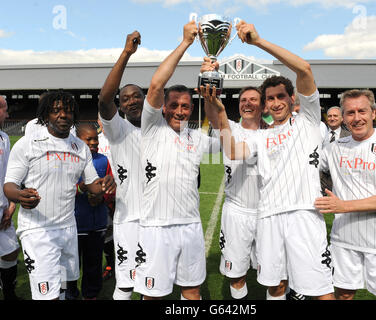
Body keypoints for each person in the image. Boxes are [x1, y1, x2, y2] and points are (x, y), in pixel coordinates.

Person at [203, 20, 334, 300]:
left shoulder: (308, 122)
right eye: (270, 98)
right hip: (269, 217)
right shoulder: (260, 137)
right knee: (274, 286)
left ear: (291, 98)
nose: (275, 102)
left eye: (280, 97)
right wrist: (217, 105)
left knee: (320, 288)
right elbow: (233, 150)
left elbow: (304, 69)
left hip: (304, 215)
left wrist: (258, 42)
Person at [133, 21, 220, 300]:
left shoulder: (197, 138)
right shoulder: (152, 128)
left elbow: (225, 139)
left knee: (192, 290)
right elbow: (157, 83)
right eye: (174, 105)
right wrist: (185, 44)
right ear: (163, 107)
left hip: (191, 225)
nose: (179, 111)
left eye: (185, 106)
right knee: (152, 295)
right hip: (157, 227)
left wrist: (211, 90)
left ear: (191, 109)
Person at [4, 91, 115, 300]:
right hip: (38, 232)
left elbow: (92, 186)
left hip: (68, 230)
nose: (63, 115)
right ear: (46, 115)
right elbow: (9, 185)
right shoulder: (28, 144)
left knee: (64, 288)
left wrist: (106, 183)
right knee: (48, 296)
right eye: (56, 111)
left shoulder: (79, 146)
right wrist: (20, 195)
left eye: (68, 111)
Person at [315, 89, 376, 300]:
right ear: (343, 117)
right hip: (344, 240)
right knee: (344, 295)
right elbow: (303, 165)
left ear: (373, 113)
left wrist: (344, 206)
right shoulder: (333, 148)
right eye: (350, 113)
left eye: (362, 111)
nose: (356, 118)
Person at [98, 30, 145, 300]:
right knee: (125, 285)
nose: (131, 100)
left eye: (136, 95)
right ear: (121, 107)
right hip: (128, 220)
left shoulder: (159, 130)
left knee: (154, 284)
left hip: (159, 220)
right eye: (125, 98)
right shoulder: (118, 130)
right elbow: (105, 99)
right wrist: (126, 53)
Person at [215, 85, 264, 300]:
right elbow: (213, 115)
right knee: (236, 276)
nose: (247, 103)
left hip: (268, 213)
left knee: (279, 276)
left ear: (263, 105)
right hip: (237, 212)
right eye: (243, 100)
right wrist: (212, 97)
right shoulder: (231, 128)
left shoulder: (274, 134)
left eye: (253, 99)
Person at [66, 123, 115, 300]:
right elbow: (64, 189)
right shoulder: (69, 159)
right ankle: (70, 294)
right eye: (89, 139)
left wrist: (103, 197)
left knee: (93, 263)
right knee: (71, 265)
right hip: (75, 223)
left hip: (98, 222)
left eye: (96, 138)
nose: (94, 142)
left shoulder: (103, 159)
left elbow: (111, 188)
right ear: (78, 140)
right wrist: (83, 188)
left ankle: (91, 294)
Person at [0, 97, 20, 300]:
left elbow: (10, 175)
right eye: (5, 111)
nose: (7, 115)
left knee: (11, 252)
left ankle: (9, 293)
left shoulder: (4, 138)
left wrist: (12, 205)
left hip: (4, 210)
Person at [96, 117, 115, 281]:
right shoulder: (96, 141)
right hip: (104, 195)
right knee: (107, 233)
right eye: (101, 120)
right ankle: (110, 265)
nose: (104, 123)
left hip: (125, 193)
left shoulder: (121, 137)